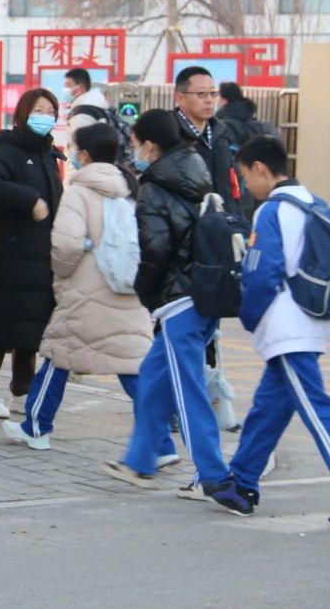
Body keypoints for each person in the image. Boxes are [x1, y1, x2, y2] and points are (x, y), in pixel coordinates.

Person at [1, 123, 162, 455]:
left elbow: (66, 245)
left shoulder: (80, 191)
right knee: (129, 363)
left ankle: (35, 427)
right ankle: (161, 442)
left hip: (86, 289)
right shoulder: (129, 187)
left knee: (58, 356)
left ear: (85, 155)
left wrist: (62, 275)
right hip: (127, 288)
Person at [105, 109, 231, 492]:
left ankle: (213, 478)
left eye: (136, 144)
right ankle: (140, 460)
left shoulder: (155, 188)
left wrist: (144, 291)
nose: (135, 152)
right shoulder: (197, 171)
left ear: (150, 145)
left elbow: (156, 250)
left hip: (179, 302)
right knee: (152, 377)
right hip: (203, 294)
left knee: (187, 391)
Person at [204, 136, 330, 516]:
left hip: (287, 328)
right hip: (311, 320)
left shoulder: (272, 211)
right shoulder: (315, 203)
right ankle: (241, 484)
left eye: (245, 176)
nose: (246, 186)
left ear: (260, 169)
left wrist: (250, 316)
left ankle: (241, 483)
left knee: (315, 409)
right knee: (268, 408)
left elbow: (261, 274)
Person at [0, 89, 64, 418]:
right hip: (13, 251)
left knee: (31, 324)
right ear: (23, 113)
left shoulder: (49, 154)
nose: (45, 116)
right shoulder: (9, 150)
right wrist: (29, 199)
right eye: (39, 110)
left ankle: (22, 392)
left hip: (42, 254)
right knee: (0, 320)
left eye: (51, 111)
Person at [174, 65, 243, 430]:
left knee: (211, 321)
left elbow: (230, 187)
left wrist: (236, 227)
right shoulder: (172, 134)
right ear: (180, 97)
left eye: (212, 94)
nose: (208, 100)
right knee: (180, 326)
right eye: (200, 94)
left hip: (217, 242)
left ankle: (212, 399)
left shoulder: (221, 133)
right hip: (183, 242)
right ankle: (176, 404)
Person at [217, 81, 278, 221]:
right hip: (261, 187)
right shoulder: (256, 124)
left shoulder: (223, 126)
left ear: (224, 100)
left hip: (236, 189)